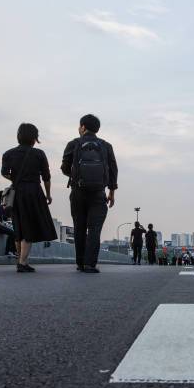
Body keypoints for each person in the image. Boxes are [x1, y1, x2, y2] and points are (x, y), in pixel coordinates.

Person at [62, 114, 118, 273]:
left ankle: (80, 263)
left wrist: (76, 176)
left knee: (79, 227)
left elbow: (65, 167)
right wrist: (111, 192)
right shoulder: (106, 146)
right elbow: (113, 170)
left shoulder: (73, 144)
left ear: (83, 127)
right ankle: (90, 264)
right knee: (94, 229)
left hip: (78, 192)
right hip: (98, 193)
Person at [2, 123, 57, 273]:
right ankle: (23, 262)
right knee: (30, 226)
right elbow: (46, 177)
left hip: (17, 191)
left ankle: (20, 259)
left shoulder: (8, 153)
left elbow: (4, 172)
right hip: (34, 191)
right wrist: (48, 194)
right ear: (35, 138)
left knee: (19, 225)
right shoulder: (39, 154)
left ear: (18, 136)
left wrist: (15, 179)